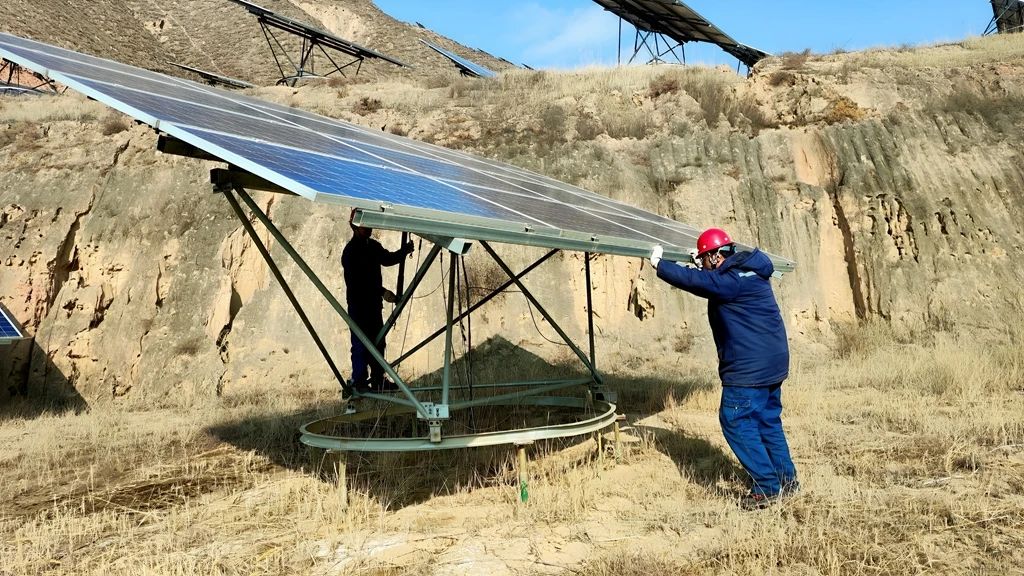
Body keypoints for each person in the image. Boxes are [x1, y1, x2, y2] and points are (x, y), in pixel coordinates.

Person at [650, 227, 798, 509]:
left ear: (716, 256)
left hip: (749, 369)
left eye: (705, 260)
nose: (703, 265)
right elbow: (712, 280)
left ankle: (767, 487)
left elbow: (700, 282)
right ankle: (787, 481)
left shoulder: (731, 282)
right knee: (767, 422)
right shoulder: (749, 272)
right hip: (773, 363)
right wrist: (700, 265)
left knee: (735, 421)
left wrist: (661, 265)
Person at [341, 210, 414, 394]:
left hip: (373, 305)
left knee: (378, 342)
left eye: (370, 225)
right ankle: (359, 381)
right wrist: (382, 292)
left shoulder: (373, 246)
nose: (369, 229)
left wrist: (404, 251)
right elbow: (358, 284)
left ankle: (377, 379)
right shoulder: (350, 252)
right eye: (365, 226)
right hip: (359, 306)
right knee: (360, 344)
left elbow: (387, 259)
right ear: (355, 226)